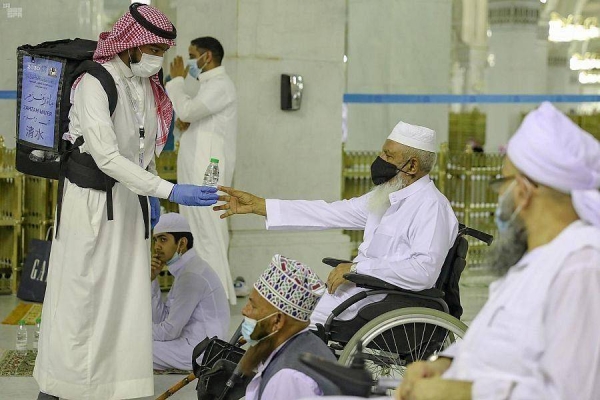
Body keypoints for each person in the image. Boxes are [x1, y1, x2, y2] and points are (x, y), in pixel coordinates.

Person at [34, 5, 219, 400]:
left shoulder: (145, 85)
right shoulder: (93, 83)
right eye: (152, 47)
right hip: (91, 207)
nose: (158, 57)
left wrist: (148, 193)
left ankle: (116, 389)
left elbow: (143, 145)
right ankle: (61, 387)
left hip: (130, 207)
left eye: (162, 50)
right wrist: (167, 191)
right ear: (130, 43)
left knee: (124, 301)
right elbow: (107, 156)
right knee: (83, 298)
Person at [397, 102, 600, 400]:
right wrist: (443, 364)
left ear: (523, 191)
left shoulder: (581, 267)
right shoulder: (535, 261)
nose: (498, 198)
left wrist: (459, 393)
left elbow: (570, 393)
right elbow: (496, 341)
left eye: (501, 183)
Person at [215, 121, 458, 327]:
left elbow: (422, 272)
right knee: (284, 304)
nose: (379, 160)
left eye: (388, 156)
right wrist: (261, 205)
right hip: (360, 292)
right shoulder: (388, 197)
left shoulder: (431, 207)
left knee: (293, 322)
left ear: (412, 166)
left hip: (385, 303)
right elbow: (327, 212)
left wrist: (356, 269)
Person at [166, 36, 238, 304]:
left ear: (207, 57)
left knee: (208, 233)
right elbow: (188, 119)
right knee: (197, 232)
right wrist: (186, 122)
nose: (189, 61)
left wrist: (176, 81)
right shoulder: (208, 88)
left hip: (208, 173)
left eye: (193, 54)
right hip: (196, 173)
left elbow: (186, 111)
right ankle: (201, 294)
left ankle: (214, 297)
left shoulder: (220, 85)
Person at [239, 254, 341, 400]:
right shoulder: (308, 343)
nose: (245, 310)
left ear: (277, 321)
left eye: (253, 306)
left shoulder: (287, 378)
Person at [151, 213, 230, 371]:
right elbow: (162, 319)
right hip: (190, 343)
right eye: (155, 240)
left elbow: (169, 331)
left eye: (163, 239)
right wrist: (152, 279)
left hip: (201, 352)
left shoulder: (191, 275)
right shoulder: (187, 270)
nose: (157, 246)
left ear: (182, 243)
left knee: (132, 350)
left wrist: (134, 330)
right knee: (132, 346)